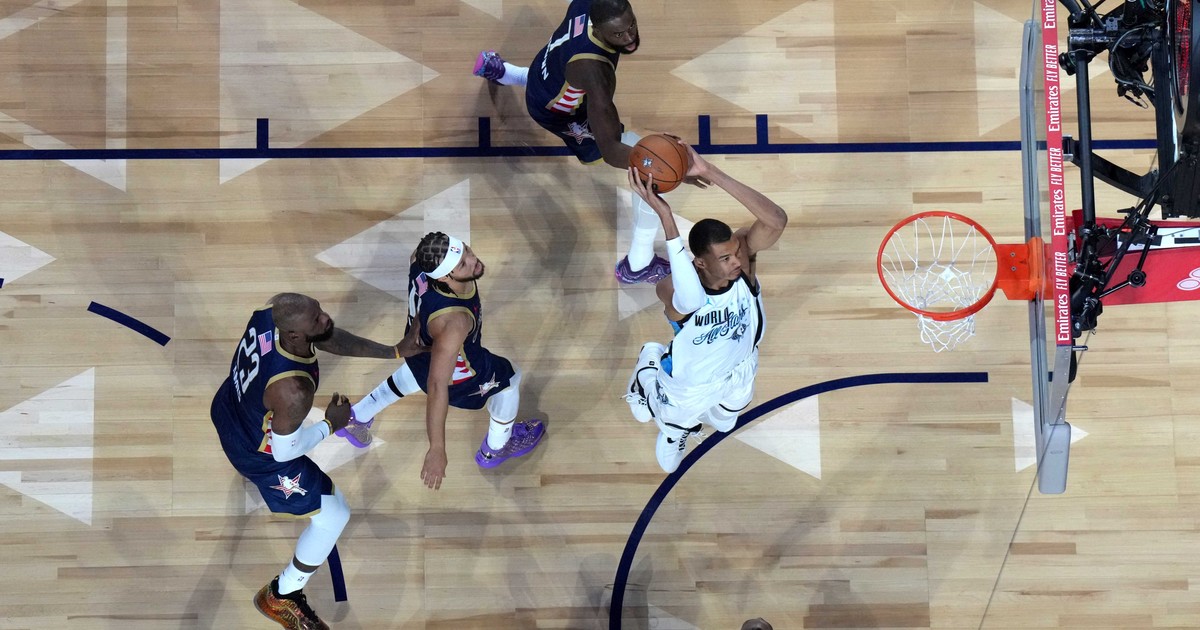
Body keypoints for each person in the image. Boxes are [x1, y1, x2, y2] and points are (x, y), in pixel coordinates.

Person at [209, 293, 426, 629]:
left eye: (320, 310)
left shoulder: (272, 311)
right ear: (294, 335)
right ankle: (283, 594)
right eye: (316, 319)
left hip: (228, 406)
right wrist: (330, 424)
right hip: (258, 453)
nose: (325, 318)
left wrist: (394, 351)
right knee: (335, 515)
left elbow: (325, 337)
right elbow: (285, 452)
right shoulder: (293, 391)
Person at [472, 0, 687, 285]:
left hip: (545, 69)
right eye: (618, 34)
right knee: (650, 174)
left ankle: (503, 72)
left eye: (631, 25)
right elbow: (611, 150)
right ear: (597, 29)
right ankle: (638, 264)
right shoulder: (595, 73)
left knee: (552, 72)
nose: (630, 37)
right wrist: (667, 166)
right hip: (559, 111)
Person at [623, 141, 788, 473]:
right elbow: (689, 298)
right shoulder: (674, 291)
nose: (736, 261)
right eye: (725, 258)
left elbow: (776, 221)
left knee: (725, 422)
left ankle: (698, 409)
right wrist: (665, 215)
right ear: (699, 262)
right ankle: (648, 373)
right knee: (668, 423)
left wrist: (710, 171)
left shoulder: (741, 264)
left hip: (740, 368)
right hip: (689, 385)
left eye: (735, 252)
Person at [337, 232, 546, 490]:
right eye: (462, 264)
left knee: (416, 374)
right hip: (461, 374)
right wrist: (437, 448)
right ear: (445, 277)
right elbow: (437, 385)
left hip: (419, 348)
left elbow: (422, 251)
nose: (473, 260)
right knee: (511, 379)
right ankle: (496, 448)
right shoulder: (454, 322)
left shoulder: (421, 259)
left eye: (467, 250)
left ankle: (357, 416)